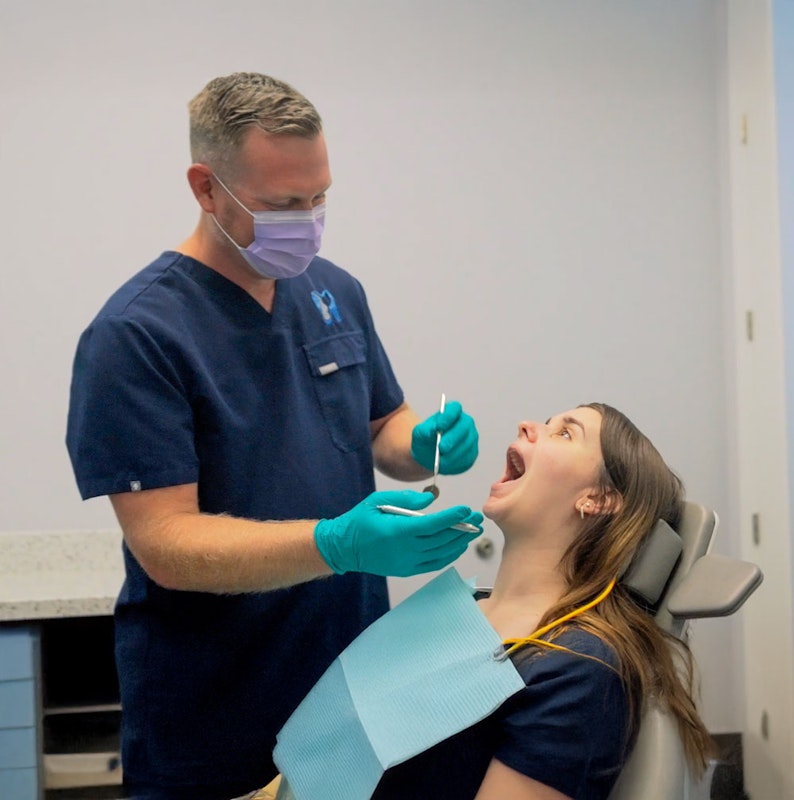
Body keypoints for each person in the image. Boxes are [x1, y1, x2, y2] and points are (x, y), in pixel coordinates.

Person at [65, 72, 481, 800]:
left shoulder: (333, 290)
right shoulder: (137, 335)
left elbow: (382, 423)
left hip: (346, 683)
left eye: (320, 198)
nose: (310, 221)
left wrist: (422, 445)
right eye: (285, 205)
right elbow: (166, 546)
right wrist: (335, 544)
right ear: (206, 188)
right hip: (215, 707)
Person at [356, 402, 713, 799]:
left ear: (598, 498)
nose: (526, 425)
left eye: (565, 432)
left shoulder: (579, 668)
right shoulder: (462, 608)